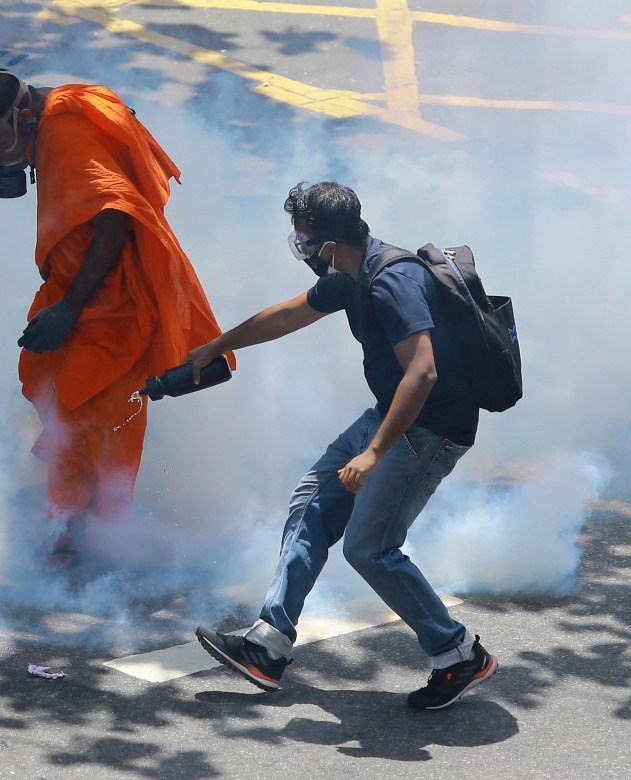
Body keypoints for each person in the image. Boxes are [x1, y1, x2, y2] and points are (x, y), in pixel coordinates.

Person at [190, 182, 497, 710]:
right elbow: (288, 314)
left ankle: (458, 652)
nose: (302, 250)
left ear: (331, 244)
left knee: (368, 548)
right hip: (390, 415)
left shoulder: (389, 282)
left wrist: (374, 452)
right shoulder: (349, 276)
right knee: (311, 504)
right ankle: (268, 644)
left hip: (430, 429)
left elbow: (422, 371)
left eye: (306, 241)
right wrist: (221, 343)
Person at [0, 68, 229, 565]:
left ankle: (79, 534)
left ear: (22, 114)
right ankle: (86, 520)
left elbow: (113, 217)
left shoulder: (66, 132)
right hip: (77, 292)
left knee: (87, 414)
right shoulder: (49, 116)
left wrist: (69, 309)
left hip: (108, 304)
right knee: (72, 405)